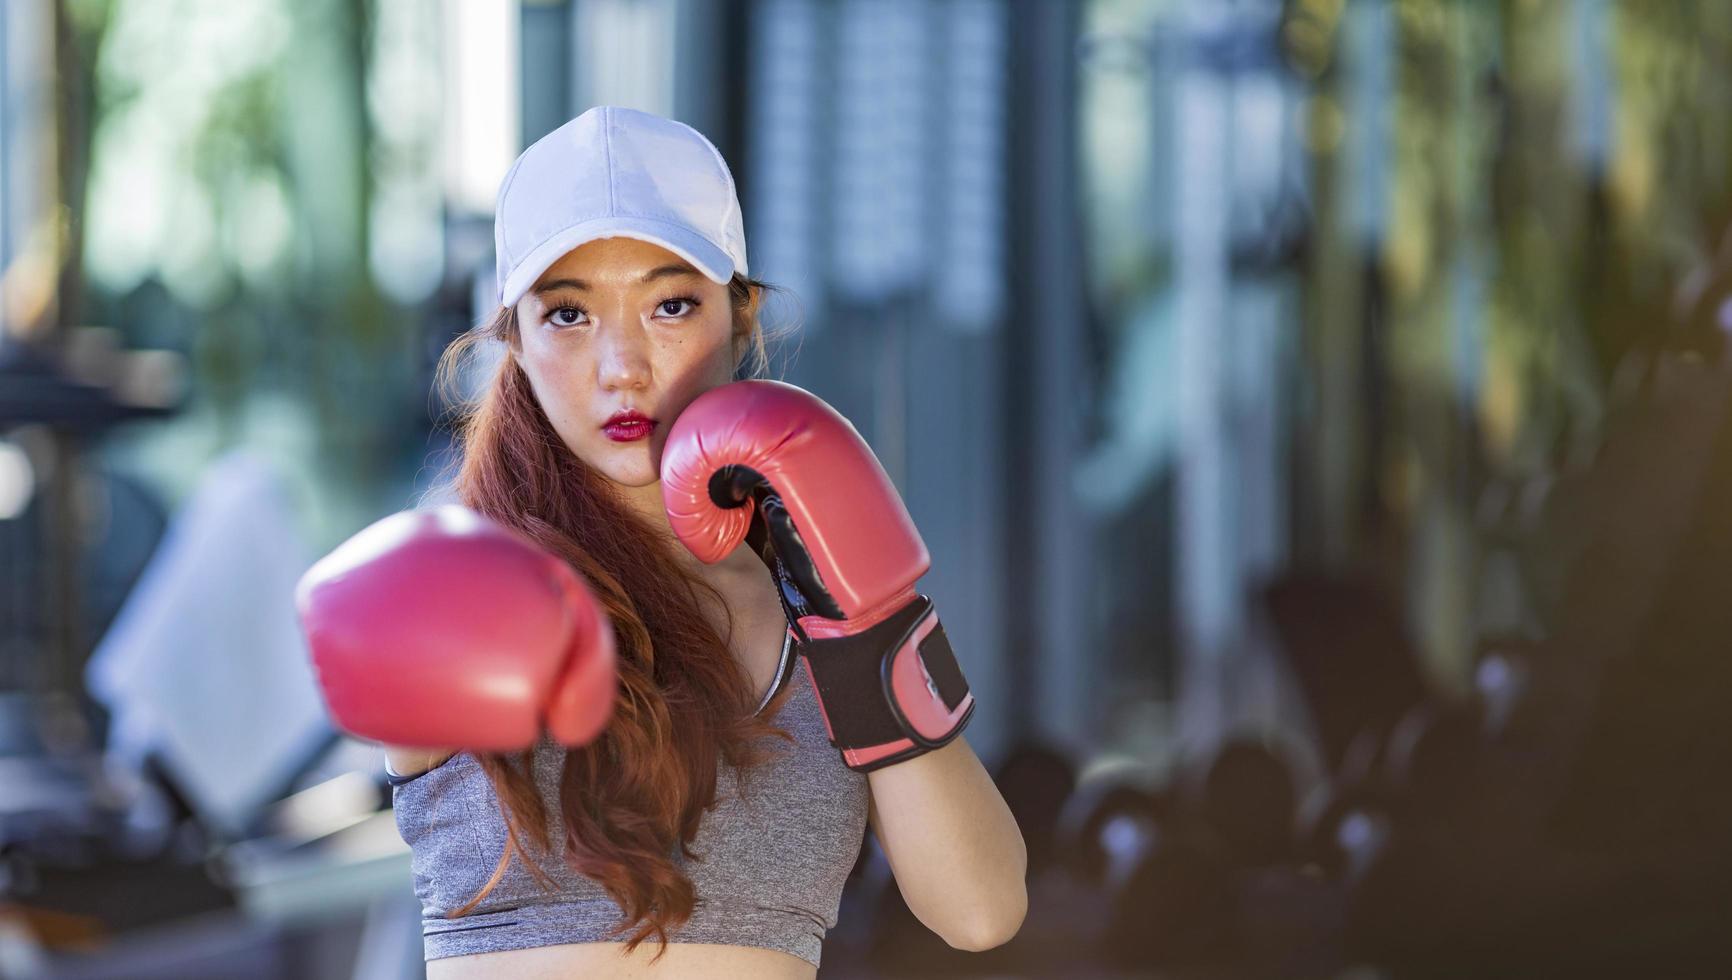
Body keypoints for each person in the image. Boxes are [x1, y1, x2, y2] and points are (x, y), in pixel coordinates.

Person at [296, 105, 1027, 978]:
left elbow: (980, 911)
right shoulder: (466, 581)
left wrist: (869, 622)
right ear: (515, 343)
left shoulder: (811, 594)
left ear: (740, 316)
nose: (622, 367)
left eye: (671, 304)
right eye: (569, 315)